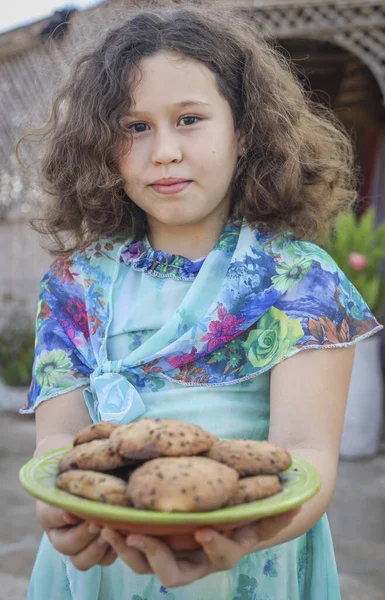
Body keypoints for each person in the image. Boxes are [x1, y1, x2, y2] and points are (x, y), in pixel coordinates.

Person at [21, 2, 382, 599]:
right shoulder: (73, 285)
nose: (163, 151)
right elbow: (59, 443)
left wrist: (244, 532)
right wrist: (60, 515)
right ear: (101, 146)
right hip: (100, 566)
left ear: (244, 133)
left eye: (189, 119)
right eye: (134, 127)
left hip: (253, 560)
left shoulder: (297, 278)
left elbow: (307, 454)